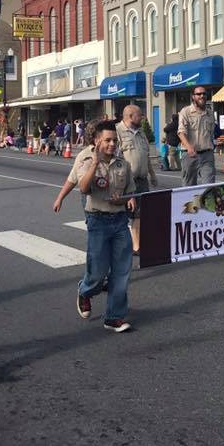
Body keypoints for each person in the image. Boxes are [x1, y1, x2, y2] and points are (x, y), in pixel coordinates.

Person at [76, 120, 136, 333]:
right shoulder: (87, 160)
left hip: (119, 221)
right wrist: (95, 163)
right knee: (98, 273)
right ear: (97, 141)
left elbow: (131, 190)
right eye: (107, 140)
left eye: (114, 140)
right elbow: (83, 188)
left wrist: (127, 199)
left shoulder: (123, 164)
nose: (112, 144)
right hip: (98, 221)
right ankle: (85, 291)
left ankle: (114, 317)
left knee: (121, 271)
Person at [116, 105, 157, 255]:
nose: (143, 117)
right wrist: (126, 185)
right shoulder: (118, 132)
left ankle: (136, 246)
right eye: (140, 115)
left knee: (139, 213)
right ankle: (120, 246)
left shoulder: (141, 133)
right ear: (130, 116)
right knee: (121, 214)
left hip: (142, 180)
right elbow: (115, 159)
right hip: (125, 182)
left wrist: (152, 175)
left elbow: (145, 157)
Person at [178, 89, 216, 186]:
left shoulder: (210, 113)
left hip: (207, 155)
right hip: (190, 155)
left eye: (204, 93)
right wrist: (189, 147)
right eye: (198, 94)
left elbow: (212, 133)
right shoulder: (185, 112)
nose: (202, 96)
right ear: (193, 96)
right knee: (189, 187)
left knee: (209, 187)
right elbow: (181, 132)